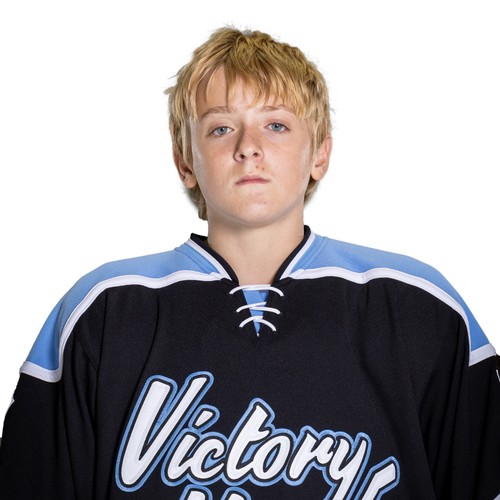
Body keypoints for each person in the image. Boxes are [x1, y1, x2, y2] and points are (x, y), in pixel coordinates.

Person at [0, 26, 499, 500]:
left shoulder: (417, 306)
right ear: (185, 160)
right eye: (221, 128)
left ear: (320, 153)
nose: (249, 148)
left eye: (276, 125)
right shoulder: (103, 310)